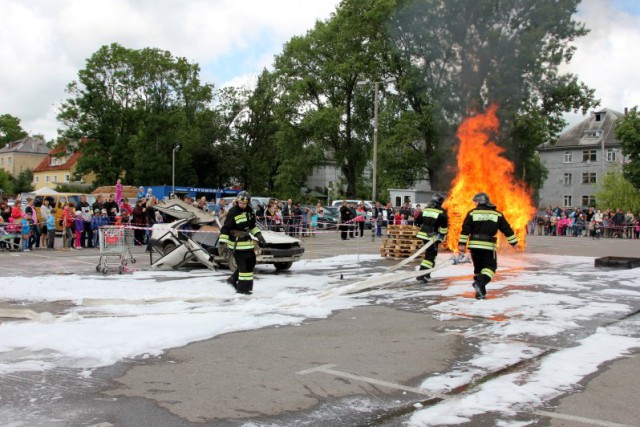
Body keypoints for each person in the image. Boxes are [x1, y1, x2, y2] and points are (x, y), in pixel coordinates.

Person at [457, 192, 518, 300]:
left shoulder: (472, 213)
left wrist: (462, 244)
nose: (475, 204)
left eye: (476, 202)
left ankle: (480, 294)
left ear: (479, 201)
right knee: (490, 268)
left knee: (479, 270)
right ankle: (479, 284)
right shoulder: (497, 214)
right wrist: (514, 243)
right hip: (488, 246)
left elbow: (465, 229)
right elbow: (506, 229)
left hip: (474, 246)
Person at [218, 191, 266, 295]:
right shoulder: (233, 212)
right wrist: (222, 243)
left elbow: (252, 226)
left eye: (244, 203)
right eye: (240, 203)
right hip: (236, 243)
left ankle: (233, 279)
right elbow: (226, 228)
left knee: (251, 263)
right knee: (244, 267)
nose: (242, 205)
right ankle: (243, 290)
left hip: (247, 242)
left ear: (248, 203)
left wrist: (259, 235)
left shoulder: (249, 211)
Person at [414, 193, 449, 283]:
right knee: (430, 255)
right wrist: (442, 235)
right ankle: (421, 275)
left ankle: (427, 273)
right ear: (440, 202)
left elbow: (417, 222)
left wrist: (425, 226)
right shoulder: (441, 211)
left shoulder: (426, 209)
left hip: (423, 234)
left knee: (430, 254)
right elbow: (444, 226)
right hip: (432, 236)